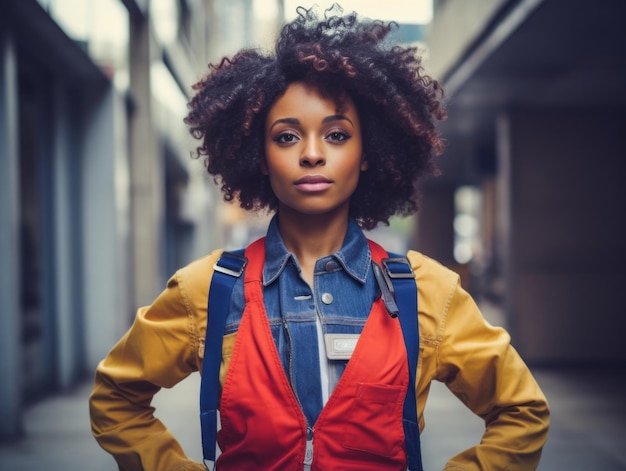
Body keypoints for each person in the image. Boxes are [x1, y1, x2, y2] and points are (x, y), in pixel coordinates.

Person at [89, 4, 550, 470]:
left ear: (367, 152)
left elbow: (522, 412)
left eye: (336, 134)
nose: (312, 154)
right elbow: (116, 398)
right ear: (259, 154)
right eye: (287, 137)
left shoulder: (428, 293)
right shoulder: (207, 289)